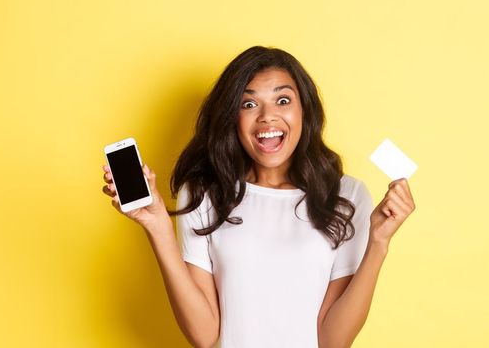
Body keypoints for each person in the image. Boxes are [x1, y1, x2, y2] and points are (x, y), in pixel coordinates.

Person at [102, 46, 415, 348]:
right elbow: (205, 335)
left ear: (304, 110)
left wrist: (379, 243)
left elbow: (333, 341)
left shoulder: (346, 195)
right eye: (249, 104)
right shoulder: (202, 195)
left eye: (282, 100)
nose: (267, 117)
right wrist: (158, 228)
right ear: (231, 118)